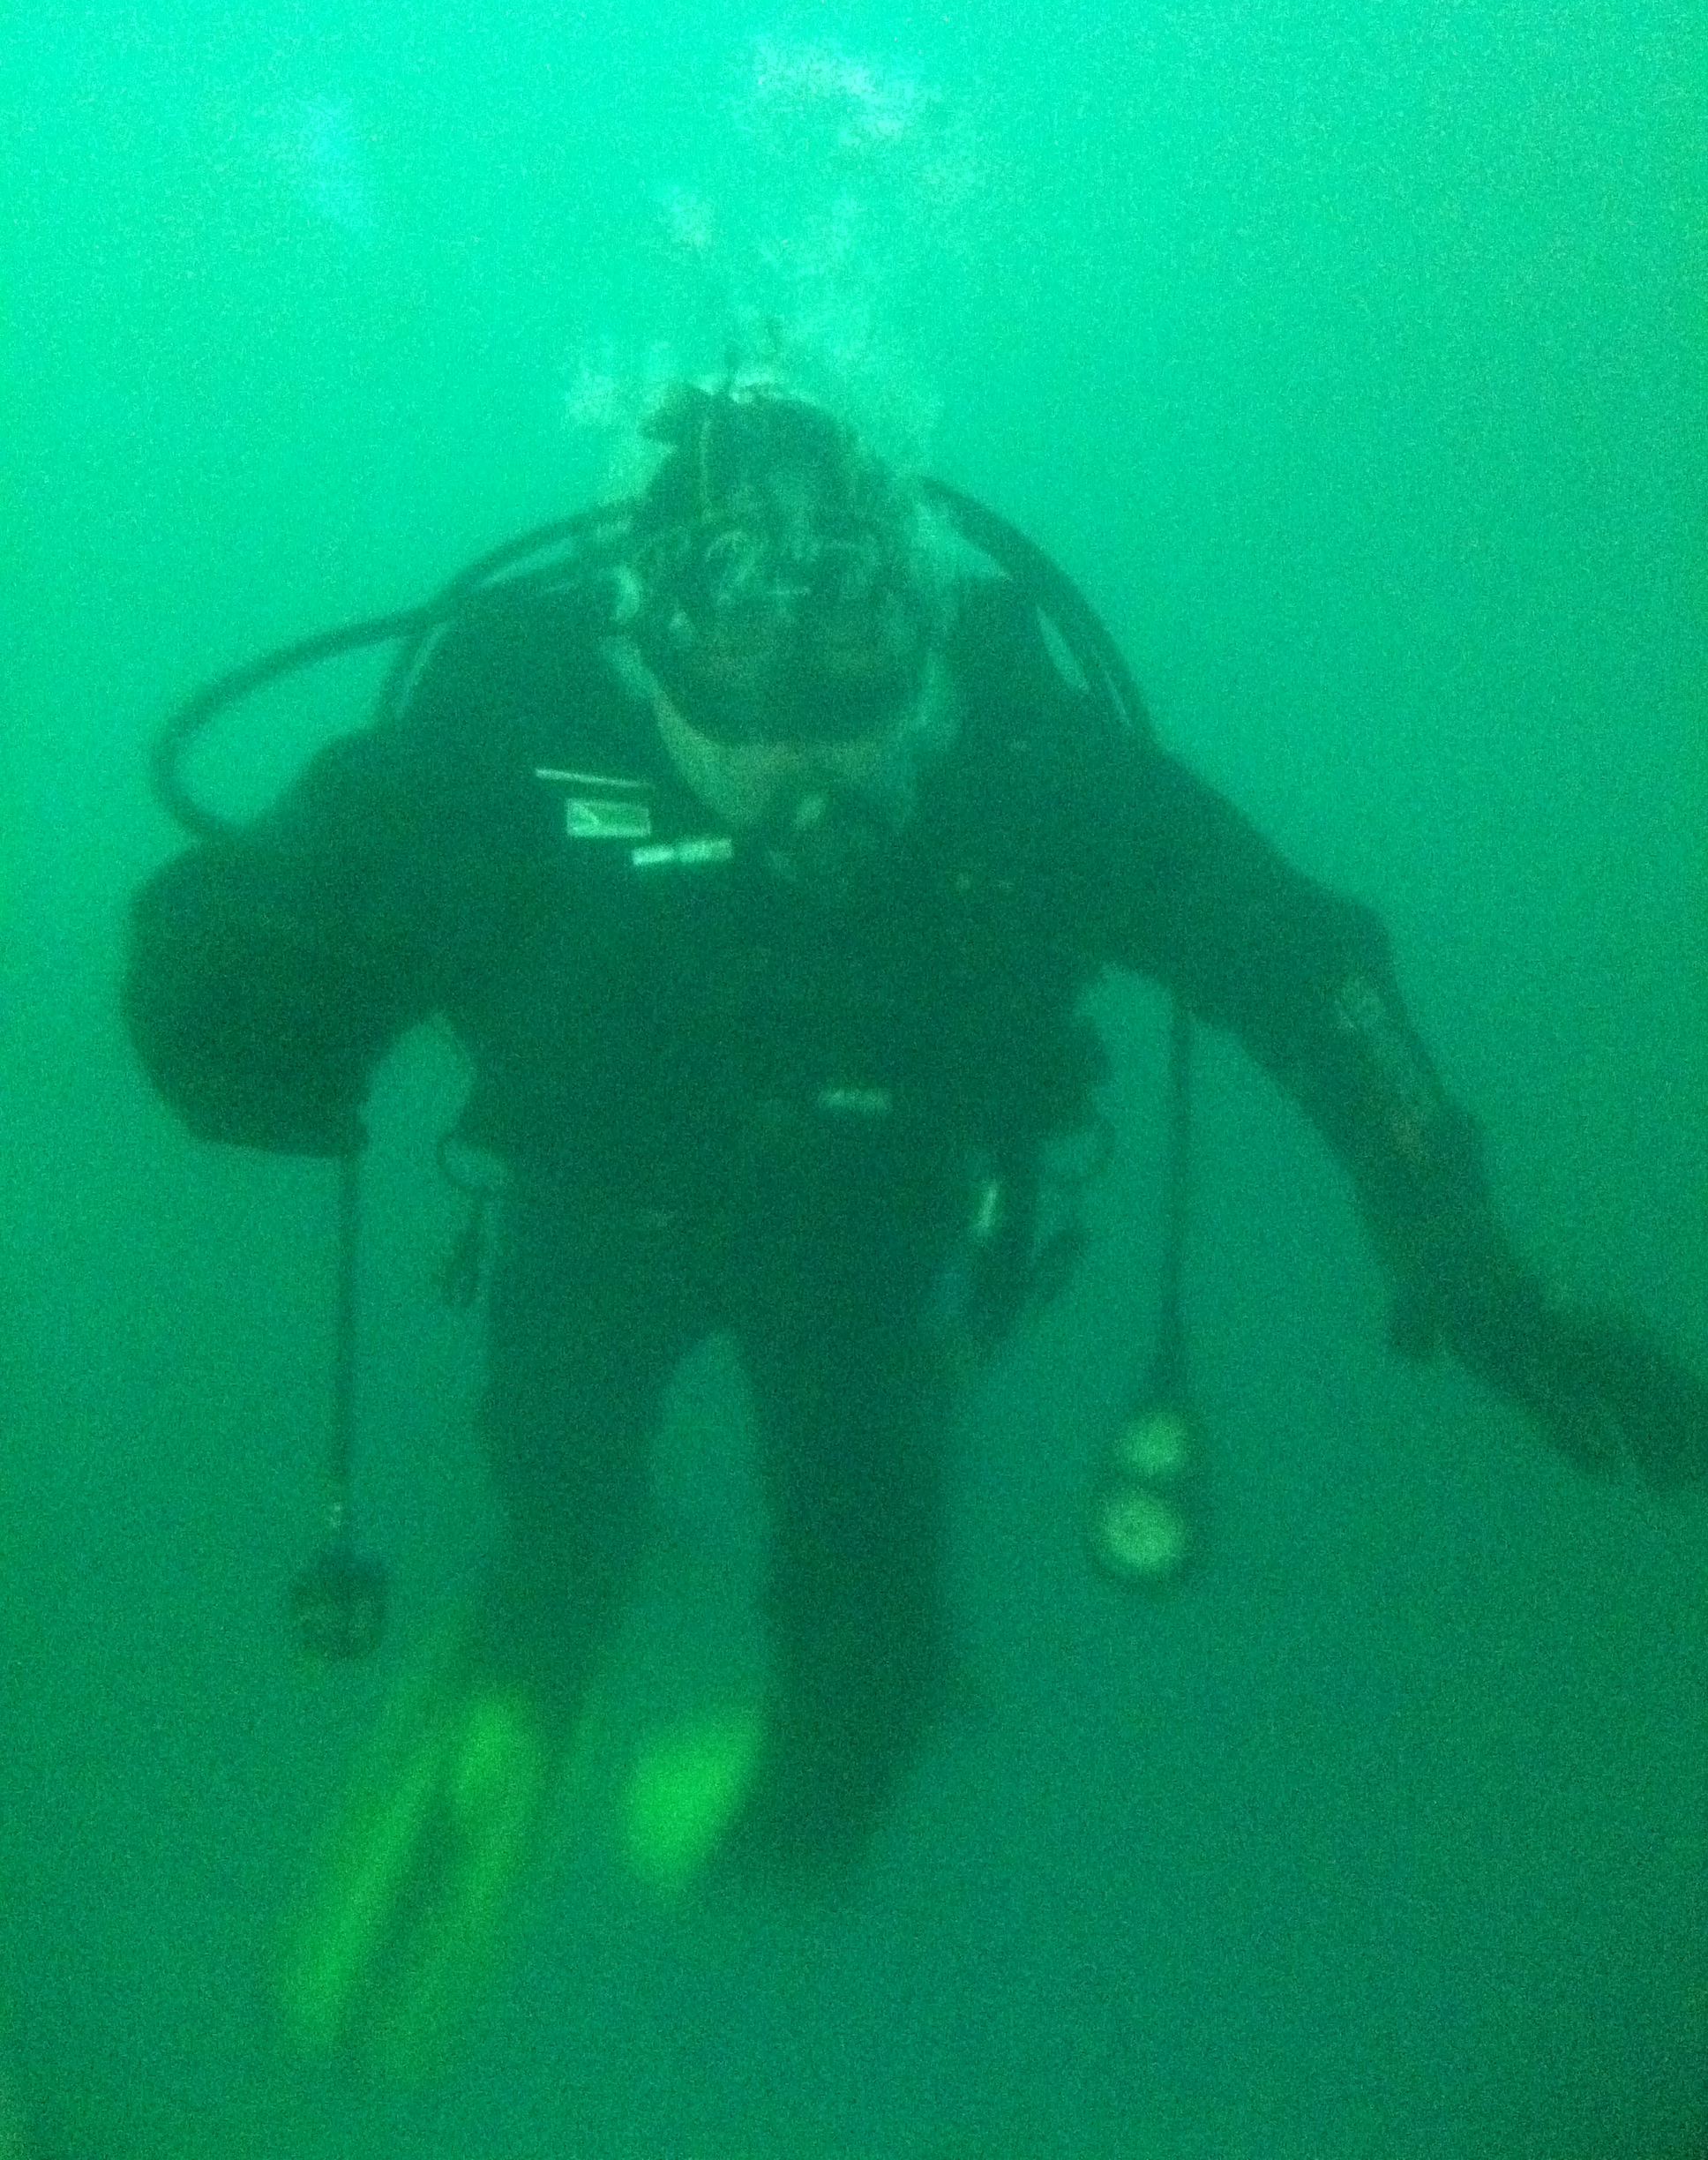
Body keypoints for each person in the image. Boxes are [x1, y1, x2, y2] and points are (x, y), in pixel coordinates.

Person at [124, 379, 1705, 2061]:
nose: (799, 732)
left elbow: (1307, 965)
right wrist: (240, 1024)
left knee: (869, 1642)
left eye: (856, 639)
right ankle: (555, 1602)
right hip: (597, 1212)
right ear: (641, 633)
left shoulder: (1017, 759)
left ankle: (790, 1796)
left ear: (926, 623)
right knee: (560, 1487)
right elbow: (216, 954)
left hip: (876, 1251)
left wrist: (1459, 1251)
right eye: (736, 638)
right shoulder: (505, 734)